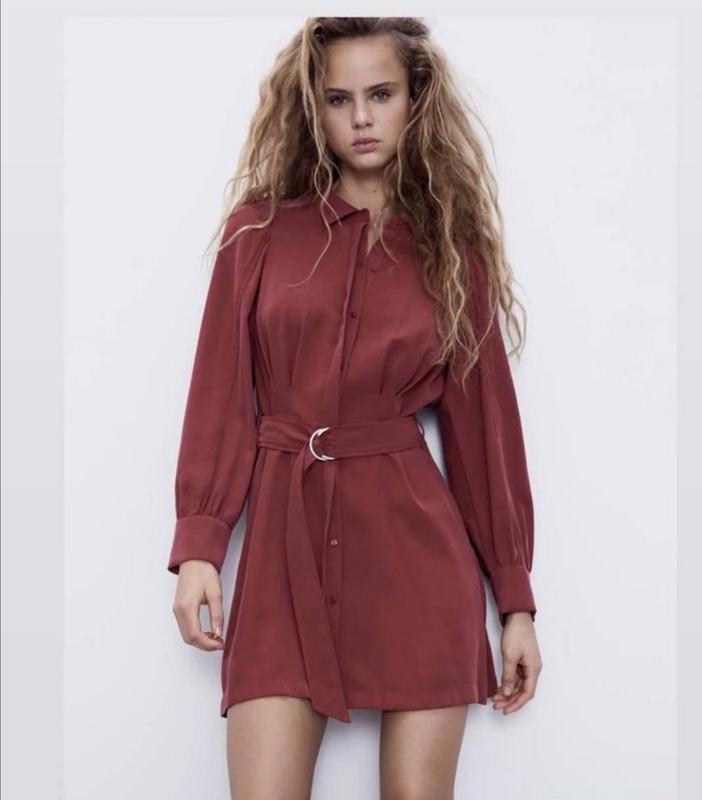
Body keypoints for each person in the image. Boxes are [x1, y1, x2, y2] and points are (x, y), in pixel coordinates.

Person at [167, 16, 543, 800]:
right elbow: (220, 397)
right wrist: (200, 544)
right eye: (339, 99)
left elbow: (486, 437)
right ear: (314, 108)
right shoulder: (258, 235)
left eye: (382, 94)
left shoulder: (453, 252)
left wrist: (515, 603)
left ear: (416, 100)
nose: (362, 118)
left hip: (416, 565)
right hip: (282, 557)